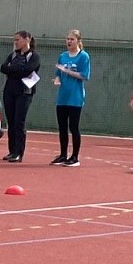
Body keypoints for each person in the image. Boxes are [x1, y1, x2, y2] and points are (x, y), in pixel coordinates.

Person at [0, 30, 41, 163]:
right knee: (11, 121)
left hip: (24, 92)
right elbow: (3, 68)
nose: (15, 42)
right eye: (15, 40)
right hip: (9, 91)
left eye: (18, 40)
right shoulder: (13, 55)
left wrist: (13, 70)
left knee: (19, 121)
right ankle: (12, 151)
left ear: (27, 39)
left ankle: (18, 152)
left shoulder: (34, 56)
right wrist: (17, 69)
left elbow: (28, 70)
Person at [52, 29, 90, 167]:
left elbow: (84, 75)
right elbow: (58, 73)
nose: (69, 41)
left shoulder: (83, 56)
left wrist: (67, 71)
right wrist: (57, 80)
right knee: (62, 127)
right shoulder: (62, 56)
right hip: (62, 97)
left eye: (72, 39)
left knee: (73, 127)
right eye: (67, 39)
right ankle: (63, 155)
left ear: (78, 41)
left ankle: (74, 157)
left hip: (75, 98)